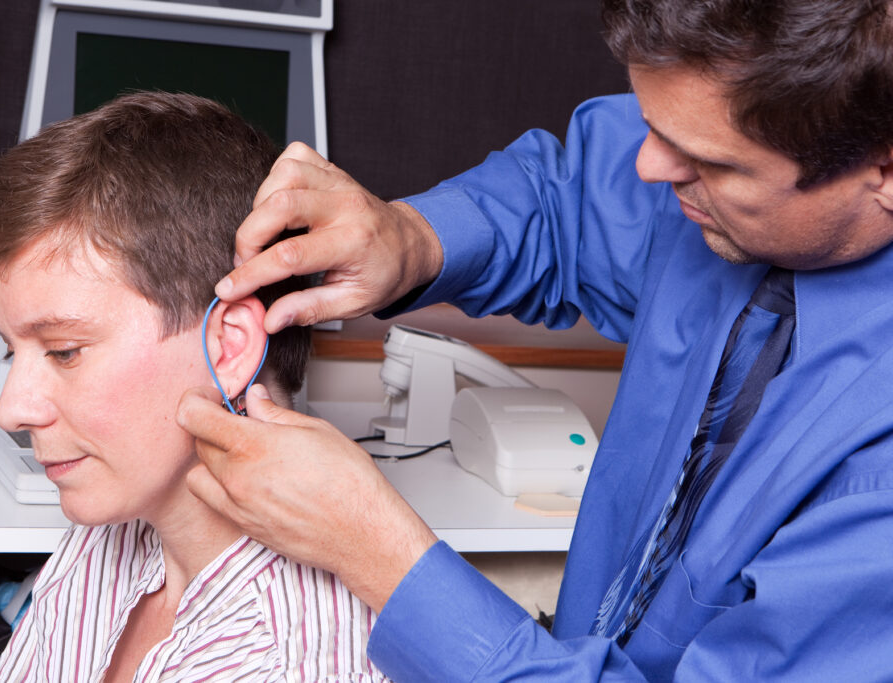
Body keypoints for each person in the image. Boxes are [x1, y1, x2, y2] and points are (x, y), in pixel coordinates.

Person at [176, 0, 893, 680]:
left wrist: (377, 551)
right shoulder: (721, 119)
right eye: (652, 125)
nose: (649, 167)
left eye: (713, 162)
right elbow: (567, 202)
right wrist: (417, 239)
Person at [0, 92, 389, 682]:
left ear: (228, 347)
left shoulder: (278, 662)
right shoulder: (116, 528)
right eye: (11, 349)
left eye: (64, 351)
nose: (12, 410)